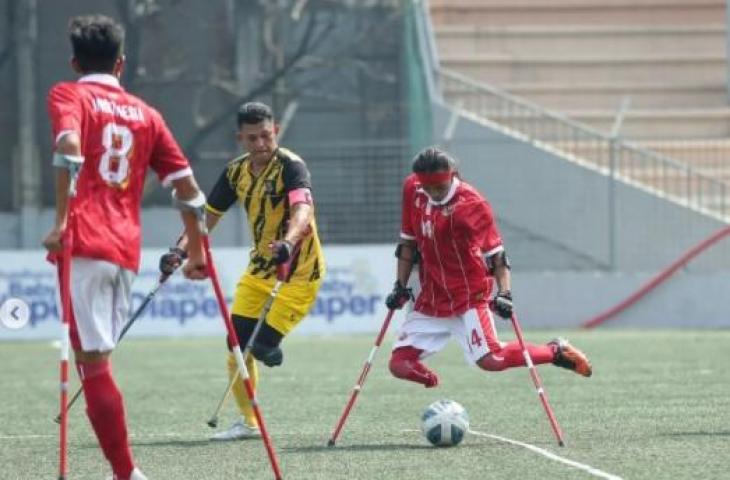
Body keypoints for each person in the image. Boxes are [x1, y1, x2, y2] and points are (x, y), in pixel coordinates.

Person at [42, 15, 208, 480]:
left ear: (75, 61)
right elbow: (189, 189)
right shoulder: (147, 114)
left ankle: (126, 473)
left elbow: (69, 146)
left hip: (84, 244)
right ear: (121, 64)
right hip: (125, 251)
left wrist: (59, 222)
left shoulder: (68, 93)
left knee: (92, 365)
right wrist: (196, 253)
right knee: (96, 360)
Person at [160, 102, 325, 441]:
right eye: (252, 139)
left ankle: (269, 348)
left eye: (266, 136)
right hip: (259, 271)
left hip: (298, 272)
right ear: (241, 139)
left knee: (263, 348)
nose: (261, 144)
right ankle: (250, 423)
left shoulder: (292, 167)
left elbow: (302, 209)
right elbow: (207, 216)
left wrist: (289, 242)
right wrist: (180, 250)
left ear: (275, 130)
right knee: (236, 347)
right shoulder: (235, 172)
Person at [385, 147, 592, 389]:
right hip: (433, 297)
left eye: (439, 188)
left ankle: (555, 351)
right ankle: (437, 395)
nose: (433, 194)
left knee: (491, 360)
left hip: (469, 295)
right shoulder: (413, 188)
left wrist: (504, 293)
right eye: (428, 188)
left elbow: (496, 255)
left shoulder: (472, 203)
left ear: (452, 175)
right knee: (399, 364)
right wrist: (399, 286)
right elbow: (408, 242)